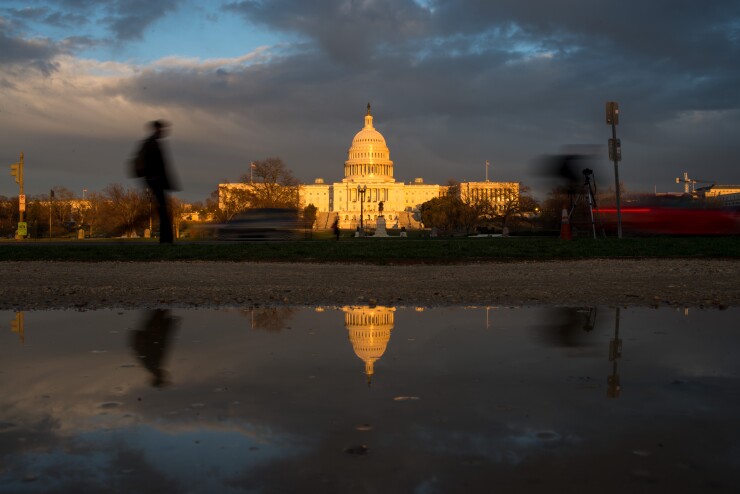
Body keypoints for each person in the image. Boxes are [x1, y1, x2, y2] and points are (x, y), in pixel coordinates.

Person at [135, 120, 179, 244]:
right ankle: (166, 238)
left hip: (154, 180)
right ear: (158, 129)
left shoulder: (151, 143)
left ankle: (166, 238)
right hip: (156, 180)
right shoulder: (152, 144)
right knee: (163, 208)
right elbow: (160, 166)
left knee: (163, 208)